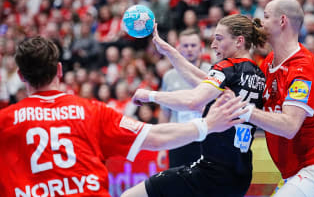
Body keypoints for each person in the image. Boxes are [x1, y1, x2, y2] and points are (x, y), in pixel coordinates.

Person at [0, 36, 248, 196]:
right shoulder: (92, 111)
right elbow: (156, 137)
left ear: (20, 76)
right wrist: (207, 124)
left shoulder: (5, 121)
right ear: (60, 70)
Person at [125, 14, 267, 197]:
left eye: (219, 39)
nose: (213, 45)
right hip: (239, 173)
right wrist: (170, 51)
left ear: (239, 41)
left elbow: (194, 101)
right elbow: (200, 80)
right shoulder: (256, 73)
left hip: (211, 173)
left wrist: (151, 95)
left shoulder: (227, 67)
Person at [243, 0, 314, 196]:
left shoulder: (303, 70)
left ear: (282, 21)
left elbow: (289, 126)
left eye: (266, 16)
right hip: (300, 169)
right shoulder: (269, 62)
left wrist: (244, 111)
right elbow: (238, 88)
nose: (260, 22)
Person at [158, 28, 211, 168]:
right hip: (178, 139)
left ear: (201, 48)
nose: (189, 49)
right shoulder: (169, 76)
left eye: (193, 45)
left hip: (206, 139)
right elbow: (165, 113)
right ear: (178, 48)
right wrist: (162, 147)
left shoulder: (212, 72)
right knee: (178, 186)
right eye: (185, 46)